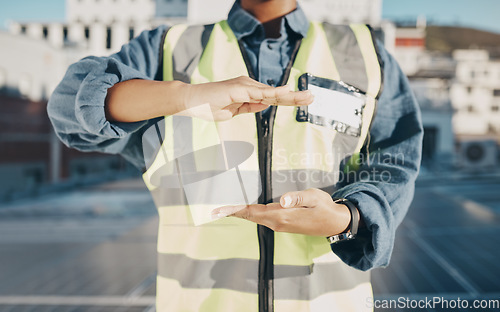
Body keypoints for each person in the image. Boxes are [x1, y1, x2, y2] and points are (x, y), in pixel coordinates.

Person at [47, 0, 423, 311]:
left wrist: (348, 217)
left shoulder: (365, 53)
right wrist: (185, 96)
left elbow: (394, 161)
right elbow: (68, 107)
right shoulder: (168, 49)